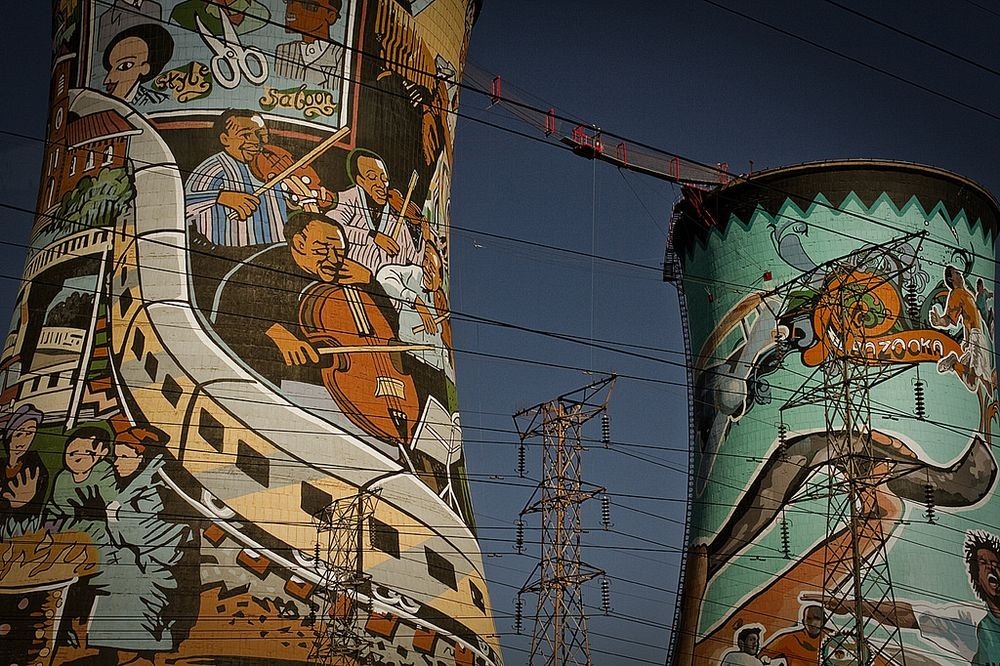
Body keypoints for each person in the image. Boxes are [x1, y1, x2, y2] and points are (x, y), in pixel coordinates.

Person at [211, 210, 377, 386]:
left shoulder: (347, 275)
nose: (334, 259)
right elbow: (230, 314)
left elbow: (387, 327)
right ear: (299, 243)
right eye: (322, 250)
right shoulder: (266, 266)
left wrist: (370, 282)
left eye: (340, 252)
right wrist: (276, 333)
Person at [88, 426, 199, 664]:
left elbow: (151, 532)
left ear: (143, 457)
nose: (117, 462)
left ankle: (143, 654)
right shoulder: (137, 483)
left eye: (124, 456)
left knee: (134, 593)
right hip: (135, 561)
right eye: (116, 456)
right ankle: (110, 652)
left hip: (156, 568)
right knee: (111, 585)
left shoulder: (161, 487)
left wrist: (116, 518)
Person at [185, 109, 289, 247]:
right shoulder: (215, 168)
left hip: (277, 250)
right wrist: (221, 197)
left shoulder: (272, 168)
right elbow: (181, 205)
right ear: (225, 139)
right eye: (245, 135)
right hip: (228, 253)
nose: (256, 141)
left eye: (261, 134)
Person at [377, 238, 453, 384]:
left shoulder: (440, 301)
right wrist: (415, 300)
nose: (426, 268)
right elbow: (384, 275)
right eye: (426, 260)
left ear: (441, 279)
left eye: (433, 268)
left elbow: (444, 343)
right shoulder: (414, 274)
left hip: (436, 368)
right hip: (411, 358)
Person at [931, 265, 992, 392]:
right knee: (975, 383)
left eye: (959, 273)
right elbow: (949, 318)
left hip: (978, 338)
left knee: (984, 382)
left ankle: (964, 361)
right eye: (956, 273)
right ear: (950, 279)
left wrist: (967, 340)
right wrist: (939, 321)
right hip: (976, 337)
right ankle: (954, 363)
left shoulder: (967, 294)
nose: (960, 275)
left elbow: (968, 319)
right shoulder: (956, 294)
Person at [0, 404, 49, 534]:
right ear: (10, 436)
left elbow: (33, 516)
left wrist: (21, 504)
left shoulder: (35, 469)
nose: (24, 440)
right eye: (19, 433)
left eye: (30, 433)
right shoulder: (1, 465)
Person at [274, 0, 344, 90]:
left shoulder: (341, 56)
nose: (291, 10)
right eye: (290, 2)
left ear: (330, 16)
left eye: (308, 5)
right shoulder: (284, 51)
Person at [102, 23, 173, 105]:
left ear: (145, 69)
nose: (107, 80)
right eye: (110, 69)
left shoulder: (156, 101)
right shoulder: (101, 101)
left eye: (124, 66)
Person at [759, 605, 828, 666]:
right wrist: (764, 658)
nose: (812, 623)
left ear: (823, 622)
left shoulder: (830, 638)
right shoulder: (790, 639)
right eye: (809, 618)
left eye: (817, 618)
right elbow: (763, 654)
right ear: (803, 621)